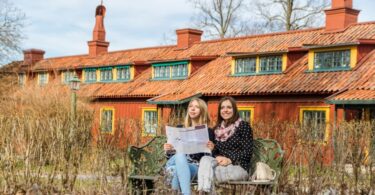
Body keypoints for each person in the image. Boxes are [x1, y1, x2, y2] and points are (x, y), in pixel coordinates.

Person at [198, 96, 253, 193]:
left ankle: (203, 192)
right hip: (219, 165)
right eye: (222, 108)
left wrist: (229, 159)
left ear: (234, 109)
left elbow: (247, 152)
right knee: (205, 159)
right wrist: (214, 150)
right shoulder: (217, 129)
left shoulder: (243, 126)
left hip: (238, 167)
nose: (225, 110)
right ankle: (205, 190)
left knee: (206, 174)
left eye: (229, 107)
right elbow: (216, 153)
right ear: (219, 111)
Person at [164, 98, 215, 195]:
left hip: (194, 166)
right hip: (175, 160)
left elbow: (208, 158)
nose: (192, 109)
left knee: (175, 171)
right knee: (180, 156)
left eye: (196, 107)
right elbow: (170, 156)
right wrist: (167, 149)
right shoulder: (180, 128)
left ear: (202, 110)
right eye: (190, 106)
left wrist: (211, 149)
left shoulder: (208, 132)